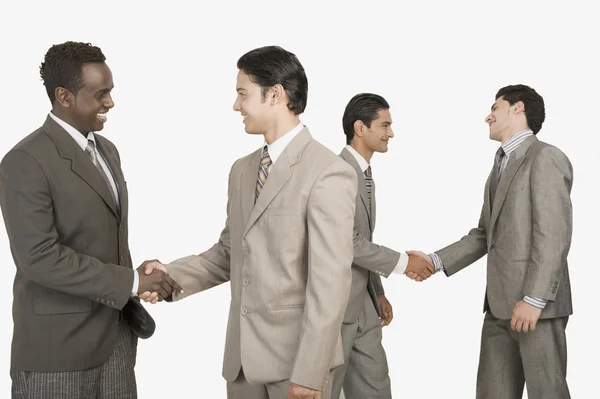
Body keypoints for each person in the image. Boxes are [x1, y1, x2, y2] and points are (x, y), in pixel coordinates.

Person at [142, 46, 357, 399]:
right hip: (242, 366)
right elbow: (231, 251)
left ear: (274, 94)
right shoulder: (242, 170)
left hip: (296, 368)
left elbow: (330, 283)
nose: (236, 105)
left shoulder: (328, 172)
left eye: (243, 93)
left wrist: (311, 371)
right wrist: (170, 273)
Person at [0, 41, 181, 398]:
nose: (110, 103)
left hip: (115, 340)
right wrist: (129, 281)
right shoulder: (25, 161)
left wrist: (136, 274)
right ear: (64, 96)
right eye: (101, 94)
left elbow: (103, 234)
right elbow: (39, 258)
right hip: (57, 354)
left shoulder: (107, 150)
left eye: (110, 92)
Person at [409, 84, 573, 399]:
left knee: (547, 392)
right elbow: (486, 234)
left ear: (518, 108)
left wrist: (535, 299)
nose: (488, 116)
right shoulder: (500, 165)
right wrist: (435, 260)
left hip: (536, 308)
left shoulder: (546, 157)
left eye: (495, 107)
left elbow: (553, 235)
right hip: (499, 307)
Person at [331, 93, 435, 399]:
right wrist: (405, 263)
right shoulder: (336, 172)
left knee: (375, 387)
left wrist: (376, 292)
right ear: (360, 128)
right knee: (325, 388)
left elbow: (364, 239)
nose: (391, 133)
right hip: (334, 307)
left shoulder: (364, 174)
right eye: (385, 125)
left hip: (363, 301)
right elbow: (345, 242)